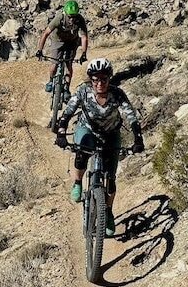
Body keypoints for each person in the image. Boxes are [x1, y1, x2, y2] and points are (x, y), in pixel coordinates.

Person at [54, 58, 144, 237]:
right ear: (91, 80)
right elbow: (68, 112)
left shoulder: (117, 94)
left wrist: (138, 139)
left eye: (104, 79)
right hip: (86, 129)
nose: (100, 83)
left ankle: (108, 212)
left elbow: (131, 116)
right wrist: (61, 132)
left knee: (111, 177)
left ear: (110, 78)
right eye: (96, 79)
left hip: (111, 134)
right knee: (82, 153)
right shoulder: (83, 91)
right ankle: (78, 183)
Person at [35, 0, 88, 98]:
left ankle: (66, 88)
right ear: (65, 13)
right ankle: (51, 81)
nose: (72, 19)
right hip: (57, 40)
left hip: (72, 42)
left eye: (74, 16)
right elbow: (46, 33)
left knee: (69, 65)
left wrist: (84, 53)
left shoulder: (80, 20)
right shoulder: (59, 18)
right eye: (70, 16)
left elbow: (84, 37)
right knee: (54, 65)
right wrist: (40, 50)